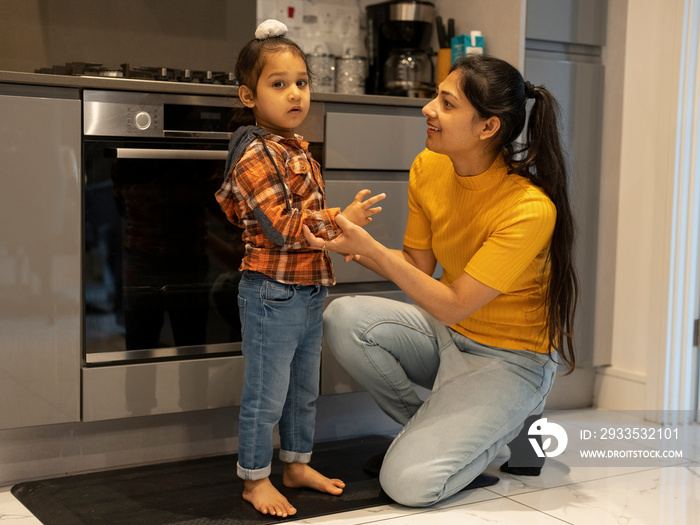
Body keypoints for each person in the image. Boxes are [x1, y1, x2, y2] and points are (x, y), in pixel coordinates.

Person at [303, 54, 579, 507]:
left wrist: (370, 248)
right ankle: (436, 433)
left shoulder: (527, 209)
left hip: (511, 359)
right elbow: (417, 262)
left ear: (487, 127)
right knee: (346, 317)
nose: (428, 109)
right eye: (436, 96)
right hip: (449, 337)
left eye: (446, 104)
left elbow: (453, 302)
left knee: (409, 486)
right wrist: (347, 242)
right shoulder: (430, 167)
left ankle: (508, 417)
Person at [216, 20, 385, 517]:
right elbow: (284, 227)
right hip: (271, 291)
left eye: (302, 82)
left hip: (308, 289)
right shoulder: (254, 154)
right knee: (267, 395)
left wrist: (337, 232)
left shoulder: (292, 148)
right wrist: (339, 221)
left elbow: (303, 228)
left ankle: (295, 464)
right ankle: (254, 479)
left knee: (302, 391)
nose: (295, 93)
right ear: (248, 95)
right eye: (278, 84)